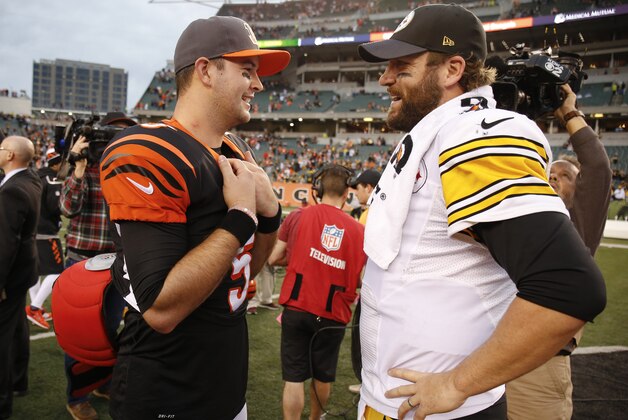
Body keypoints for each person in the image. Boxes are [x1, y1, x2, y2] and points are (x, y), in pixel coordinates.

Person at [355, 4, 606, 419]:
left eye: (401, 66)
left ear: (453, 69)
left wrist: (457, 384)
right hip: (399, 401)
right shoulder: (446, 130)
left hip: (441, 410)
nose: (385, 78)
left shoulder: (474, 133)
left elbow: (569, 288)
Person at [99, 16, 290, 419]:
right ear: (205, 70)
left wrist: (270, 215)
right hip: (167, 392)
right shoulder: (148, 150)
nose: (258, 85)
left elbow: (245, 271)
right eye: (247, 72)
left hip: (226, 386)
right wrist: (240, 216)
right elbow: (161, 311)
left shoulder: (235, 150)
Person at [506, 84, 612, 419]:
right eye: (549, 174)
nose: (553, 179)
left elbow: (597, 168)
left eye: (564, 176)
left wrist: (568, 112)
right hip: (482, 359)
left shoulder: (576, 225)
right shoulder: (523, 217)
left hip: (536, 368)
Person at [268, 164, 367, 420]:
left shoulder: (297, 216)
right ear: (348, 194)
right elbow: (359, 279)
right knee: (323, 374)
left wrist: (304, 259)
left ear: (318, 189)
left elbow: (274, 257)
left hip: (298, 305)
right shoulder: (359, 231)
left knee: (294, 377)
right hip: (333, 311)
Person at [59, 112, 135, 420]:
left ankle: (102, 382)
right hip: (83, 262)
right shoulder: (86, 168)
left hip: (118, 263)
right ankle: (77, 396)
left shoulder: (132, 170)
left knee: (111, 329)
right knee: (82, 336)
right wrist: (78, 167)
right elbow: (67, 208)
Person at [0, 136, 41, 419]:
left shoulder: (12, 190)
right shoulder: (30, 178)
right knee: (16, 328)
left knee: (2, 338)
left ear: (11, 155)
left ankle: (2, 402)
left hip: (11, 272)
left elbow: (5, 243)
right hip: (25, 268)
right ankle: (18, 382)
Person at [26, 148, 64, 329]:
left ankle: (36, 309)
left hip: (30, 229)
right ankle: (35, 307)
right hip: (46, 231)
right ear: (57, 163)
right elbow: (56, 207)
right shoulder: (52, 179)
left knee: (35, 271)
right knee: (56, 270)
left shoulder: (35, 176)